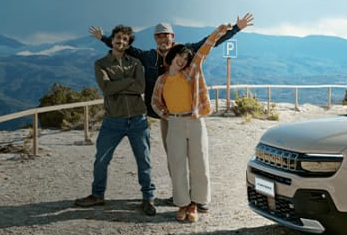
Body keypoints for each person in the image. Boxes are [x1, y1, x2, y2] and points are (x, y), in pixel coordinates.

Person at [89, 13, 255, 211]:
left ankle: (198, 197)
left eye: (166, 35)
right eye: (159, 36)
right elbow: (125, 47)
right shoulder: (148, 57)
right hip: (166, 115)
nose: (163, 39)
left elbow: (209, 43)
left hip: (190, 113)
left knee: (196, 156)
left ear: (172, 37)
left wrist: (236, 28)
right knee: (174, 157)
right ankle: (180, 195)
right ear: (155, 39)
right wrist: (103, 38)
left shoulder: (184, 51)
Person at [73, 25, 156, 215]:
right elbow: (107, 88)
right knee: (101, 160)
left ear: (128, 44)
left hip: (138, 119)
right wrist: (129, 81)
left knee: (144, 160)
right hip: (113, 120)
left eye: (125, 39)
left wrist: (117, 84)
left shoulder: (136, 62)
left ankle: (148, 198)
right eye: (118, 37)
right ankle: (97, 195)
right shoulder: (101, 64)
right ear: (112, 40)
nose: (121, 41)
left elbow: (140, 87)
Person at [152, 23, 230, 222]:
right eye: (180, 57)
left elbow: (204, 50)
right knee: (176, 165)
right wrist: (165, 114)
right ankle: (182, 204)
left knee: (199, 163)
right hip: (174, 124)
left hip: (194, 121)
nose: (183, 61)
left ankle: (195, 204)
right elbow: (155, 102)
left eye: (186, 59)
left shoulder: (190, 72)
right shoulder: (161, 80)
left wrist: (219, 32)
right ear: (172, 57)